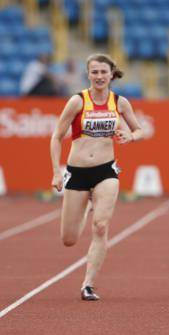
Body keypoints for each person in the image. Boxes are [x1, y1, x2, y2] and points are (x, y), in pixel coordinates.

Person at [50, 53, 144, 301]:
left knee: (101, 226)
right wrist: (55, 172)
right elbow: (56, 137)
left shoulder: (120, 102)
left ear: (112, 74)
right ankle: (85, 207)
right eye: (95, 72)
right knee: (69, 239)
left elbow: (139, 129)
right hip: (77, 172)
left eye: (104, 72)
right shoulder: (77, 101)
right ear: (88, 74)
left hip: (106, 171)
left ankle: (88, 284)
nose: (100, 76)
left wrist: (131, 137)